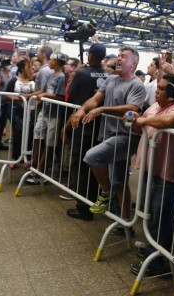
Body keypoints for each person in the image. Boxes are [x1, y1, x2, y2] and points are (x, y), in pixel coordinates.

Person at [71, 46, 146, 222]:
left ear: (133, 63)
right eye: (118, 55)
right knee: (120, 181)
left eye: (124, 56)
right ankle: (125, 221)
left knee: (92, 156)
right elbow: (95, 99)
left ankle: (105, 194)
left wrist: (102, 109)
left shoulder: (137, 85)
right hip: (108, 134)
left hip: (125, 137)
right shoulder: (111, 79)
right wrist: (82, 109)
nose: (118, 59)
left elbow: (132, 108)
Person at [128, 74, 174, 277]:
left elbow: (168, 121)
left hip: (168, 171)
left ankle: (157, 262)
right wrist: (135, 121)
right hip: (151, 166)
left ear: (173, 93)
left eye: (162, 89)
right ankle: (151, 248)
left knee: (162, 215)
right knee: (150, 212)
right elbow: (141, 126)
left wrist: (140, 119)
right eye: (158, 88)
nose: (157, 91)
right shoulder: (154, 106)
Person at [65, 44, 108, 221]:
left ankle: (83, 206)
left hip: (82, 123)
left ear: (89, 56)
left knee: (80, 165)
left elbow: (71, 92)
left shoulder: (82, 73)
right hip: (100, 125)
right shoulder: (108, 75)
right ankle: (95, 202)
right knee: (95, 166)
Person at [27, 52, 68, 184]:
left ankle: (41, 169)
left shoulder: (61, 77)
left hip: (54, 115)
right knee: (37, 135)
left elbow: (60, 96)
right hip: (44, 111)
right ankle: (35, 161)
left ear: (57, 62)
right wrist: (30, 95)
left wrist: (45, 95)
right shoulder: (51, 75)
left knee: (50, 143)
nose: (49, 62)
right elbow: (42, 91)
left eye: (51, 60)